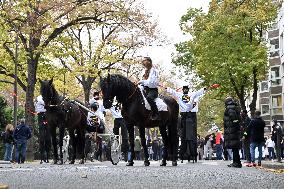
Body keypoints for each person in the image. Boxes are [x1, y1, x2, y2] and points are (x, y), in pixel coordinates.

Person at [165, 84, 206, 162]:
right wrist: (168, 89)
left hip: (188, 116)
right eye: (185, 89)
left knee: (188, 136)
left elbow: (174, 92)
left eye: (185, 89)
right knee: (187, 136)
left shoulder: (187, 95)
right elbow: (174, 92)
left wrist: (203, 89)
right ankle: (187, 154)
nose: (185, 90)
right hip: (187, 116)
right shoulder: (186, 95)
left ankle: (188, 154)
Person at [223, 97, 242, 168]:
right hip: (233, 130)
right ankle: (236, 162)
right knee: (235, 147)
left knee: (234, 147)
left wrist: (235, 127)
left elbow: (234, 119)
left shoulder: (230, 108)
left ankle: (236, 163)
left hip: (232, 130)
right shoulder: (233, 107)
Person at [35, 95, 51, 164]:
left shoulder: (46, 98)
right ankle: (43, 157)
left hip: (45, 115)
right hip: (42, 115)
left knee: (47, 137)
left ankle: (46, 157)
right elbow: (42, 102)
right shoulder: (40, 98)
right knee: (42, 137)